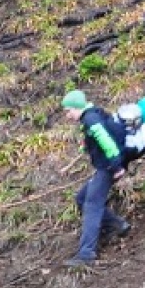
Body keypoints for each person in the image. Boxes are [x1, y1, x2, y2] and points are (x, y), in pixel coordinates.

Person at [61, 90, 130, 268]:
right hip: (106, 166)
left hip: (108, 168)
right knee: (81, 198)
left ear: (77, 107)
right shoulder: (91, 117)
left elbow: (106, 141)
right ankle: (118, 224)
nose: (67, 115)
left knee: (92, 205)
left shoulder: (91, 119)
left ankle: (86, 254)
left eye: (68, 111)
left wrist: (116, 166)